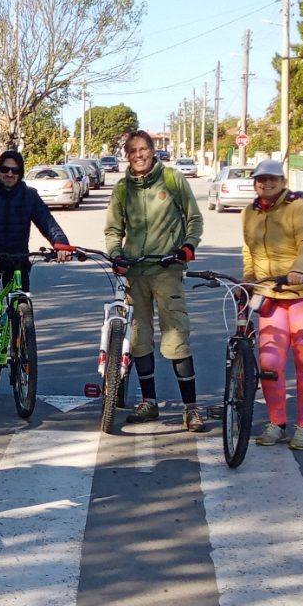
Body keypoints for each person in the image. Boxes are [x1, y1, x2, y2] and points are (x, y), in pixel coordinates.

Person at [104, 129, 206, 431]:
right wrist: (116, 255)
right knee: (139, 339)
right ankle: (149, 402)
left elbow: (194, 218)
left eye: (143, 149)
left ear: (153, 151)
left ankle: (191, 408)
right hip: (136, 273)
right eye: (132, 151)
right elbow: (113, 230)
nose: (139, 155)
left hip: (167, 270)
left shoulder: (172, 179)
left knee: (176, 337)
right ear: (127, 155)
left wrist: (187, 247)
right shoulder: (122, 189)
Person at [241, 160, 303, 451]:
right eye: (261, 179)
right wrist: (248, 280)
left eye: (272, 179)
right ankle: (276, 422)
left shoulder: (298, 207)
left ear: (282, 181)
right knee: (269, 363)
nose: (266, 184)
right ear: (255, 183)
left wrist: (299, 269)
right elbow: (249, 250)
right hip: (271, 292)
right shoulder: (249, 212)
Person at [0, 149, 74, 333]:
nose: (9, 174)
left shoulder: (29, 196)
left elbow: (47, 221)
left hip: (17, 257)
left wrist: (61, 244)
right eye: (5, 169)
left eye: (15, 170)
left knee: (21, 301)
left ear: (21, 173)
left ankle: (22, 339)